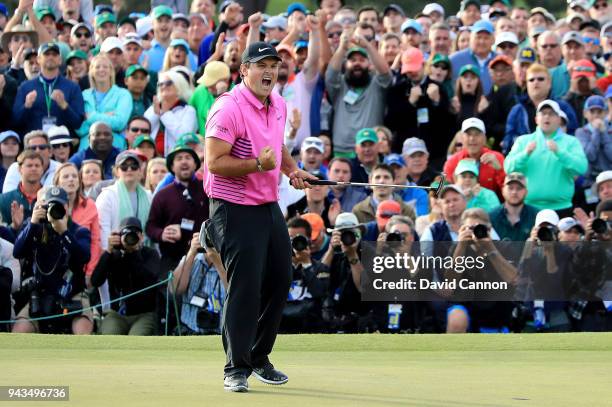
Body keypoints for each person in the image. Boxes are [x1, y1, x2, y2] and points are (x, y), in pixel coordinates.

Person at [204, 42, 314, 391]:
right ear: (244, 70)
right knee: (245, 287)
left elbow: (277, 146)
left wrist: (292, 169)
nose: (269, 71)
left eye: (274, 65)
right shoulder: (228, 108)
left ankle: (258, 355)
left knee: (281, 280)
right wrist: (257, 165)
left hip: (266, 203)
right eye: (261, 64)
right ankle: (235, 368)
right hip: (232, 206)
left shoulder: (277, 102)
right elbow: (215, 162)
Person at [12, 187, 92, 334]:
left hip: (73, 294)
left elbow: (84, 257)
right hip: (40, 295)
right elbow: (17, 252)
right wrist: (33, 223)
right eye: (50, 206)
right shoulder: (34, 228)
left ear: (67, 208)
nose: (54, 211)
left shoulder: (79, 231)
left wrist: (64, 232)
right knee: (20, 329)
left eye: (59, 206)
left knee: (83, 331)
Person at [505, 100, 588, 214]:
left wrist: (560, 153)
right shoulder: (523, 141)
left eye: (551, 113)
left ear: (559, 120)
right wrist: (525, 154)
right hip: (529, 208)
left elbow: (581, 168)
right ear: (536, 119)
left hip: (562, 208)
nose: (547, 117)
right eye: (543, 113)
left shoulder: (571, 142)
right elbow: (508, 168)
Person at [326, 29, 391, 157]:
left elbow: (385, 73)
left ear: (369, 64)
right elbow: (331, 75)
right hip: (342, 152)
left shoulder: (376, 85)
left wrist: (368, 46)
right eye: (353, 60)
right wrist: (342, 47)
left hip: (370, 152)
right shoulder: (340, 86)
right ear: (346, 64)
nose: (357, 63)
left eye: (362, 60)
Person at [385, 47, 454, 167]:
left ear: (423, 65)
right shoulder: (397, 90)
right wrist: (409, 103)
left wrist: (437, 102)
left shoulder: (438, 88)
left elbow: (448, 123)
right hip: (404, 152)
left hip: (434, 154)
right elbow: (390, 123)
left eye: (415, 68)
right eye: (409, 70)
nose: (412, 73)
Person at [91, 217, 160, 335]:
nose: (131, 238)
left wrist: (134, 252)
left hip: (144, 314)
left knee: (135, 339)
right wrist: (108, 251)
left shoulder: (150, 254)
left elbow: (149, 281)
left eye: (135, 234)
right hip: (116, 314)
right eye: (126, 234)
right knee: (109, 336)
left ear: (142, 237)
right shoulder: (114, 255)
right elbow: (96, 281)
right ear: (119, 237)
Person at [146, 144, 208, 272]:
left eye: (188, 157)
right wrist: (162, 234)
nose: (184, 161)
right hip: (172, 262)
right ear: (172, 167)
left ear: (196, 164)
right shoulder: (162, 195)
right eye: (179, 158)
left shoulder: (207, 190)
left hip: (206, 258)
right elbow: (150, 227)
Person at [503, 64, 578, 154]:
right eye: (531, 80)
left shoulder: (563, 108)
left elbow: (573, 137)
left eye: (540, 79)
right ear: (526, 84)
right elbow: (509, 141)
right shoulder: (516, 111)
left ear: (549, 83)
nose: (536, 82)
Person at [12, 42, 84, 136]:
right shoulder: (25, 87)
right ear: (38, 59)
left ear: (60, 60)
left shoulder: (72, 87)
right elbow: (15, 122)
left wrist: (64, 106)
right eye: (46, 54)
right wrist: (26, 106)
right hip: (35, 145)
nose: (50, 57)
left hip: (62, 145)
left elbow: (78, 123)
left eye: (54, 54)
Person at [96, 151, 152, 257]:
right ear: (117, 171)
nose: (129, 169)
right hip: (116, 254)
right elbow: (103, 229)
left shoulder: (149, 196)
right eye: (124, 167)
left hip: (142, 253)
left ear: (140, 171)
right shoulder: (107, 195)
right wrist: (106, 253)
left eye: (134, 166)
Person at [53, 162, 101, 284]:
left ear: (79, 181)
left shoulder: (90, 205)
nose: (71, 180)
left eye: (74, 176)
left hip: (81, 270)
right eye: (66, 176)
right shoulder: (50, 205)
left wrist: (90, 271)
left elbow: (95, 241)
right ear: (57, 182)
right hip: (54, 269)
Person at [172, 232, 227, 335]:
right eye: (210, 238)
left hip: (220, 334)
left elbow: (237, 296)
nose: (213, 242)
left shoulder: (232, 262)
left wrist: (218, 262)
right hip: (189, 330)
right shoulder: (192, 259)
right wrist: (192, 252)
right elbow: (175, 290)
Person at [283, 216, 330, 333]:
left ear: (308, 240)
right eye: (290, 239)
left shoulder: (320, 268)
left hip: (311, 327)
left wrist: (307, 265)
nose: (294, 243)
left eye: (299, 239)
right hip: (282, 327)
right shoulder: (276, 269)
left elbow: (320, 293)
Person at [76, 54, 132, 151]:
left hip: (114, 147)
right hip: (87, 148)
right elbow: (80, 129)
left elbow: (119, 123)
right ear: (91, 72)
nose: (101, 69)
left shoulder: (123, 94)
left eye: (105, 67)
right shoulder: (83, 95)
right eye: (97, 67)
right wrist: (106, 116)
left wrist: (91, 117)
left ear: (111, 71)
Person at [444, 117, 506, 198]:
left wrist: (500, 170)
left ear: (484, 138)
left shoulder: (497, 158)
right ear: (462, 138)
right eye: (468, 134)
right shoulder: (452, 162)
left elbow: (509, 192)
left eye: (477, 134)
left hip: (492, 207)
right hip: (461, 208)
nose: (472, 138)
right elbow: (443, 193)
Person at [144, 70, 197, 157]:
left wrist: (165, 114)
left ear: (179, 85)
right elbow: (144, 129)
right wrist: (156, 113)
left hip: (176, 159)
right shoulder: (155, 106)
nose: (163, 86)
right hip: (152, 159)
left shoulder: (188, 110)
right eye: (160, 84)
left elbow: (184, 137)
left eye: (168, 83)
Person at [575, 95, 612, 208]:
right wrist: (596, 131)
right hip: (590, 182)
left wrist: (604, 133)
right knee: (592, 208)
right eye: (592, 111)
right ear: (586, 113)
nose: (596, 115)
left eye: (599, 111)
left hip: (609, 182)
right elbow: (590, 155)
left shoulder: (610, 131)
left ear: (605, 113)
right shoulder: (581, 132)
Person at [352, 164, 416, 224]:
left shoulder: (407, 211)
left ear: (393, 182)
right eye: (377, 177)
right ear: (370, 182)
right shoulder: (358, 210)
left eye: (386, 177)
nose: (381, 181)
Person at [0, 150, 44, 238]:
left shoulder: (49, 198)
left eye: (37, 165)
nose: (34, 168)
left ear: (42, 169)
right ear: (20, 169)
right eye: (29, 165)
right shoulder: (3, 200)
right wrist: (14, 226)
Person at [489, 172, 539, 242]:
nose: (514, 192)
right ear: (502, 190)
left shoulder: (537, 216)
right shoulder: (491, 216)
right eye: (510, 188)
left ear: (526, 192)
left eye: (519, 188)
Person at [450, 20, 496, 95]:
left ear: (493, 40)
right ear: (471, 38)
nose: (482, 41)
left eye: (486, 38)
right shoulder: (454, 60)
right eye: (478, 37)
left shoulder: (500, 60)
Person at [189, 60, 230, 136]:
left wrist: (221, 94)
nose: (208, 86)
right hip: (203, 143)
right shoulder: (200, 90)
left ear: (225, 81)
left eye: (211, 82)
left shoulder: (235, 94)